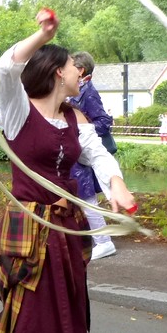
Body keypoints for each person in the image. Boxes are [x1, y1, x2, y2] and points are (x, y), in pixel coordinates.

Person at [0, 10, 135, 333]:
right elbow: (4, 68)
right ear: (58, 72)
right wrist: (43, 34)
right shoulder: (17, 111)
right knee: (46, 312)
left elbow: (99, 156)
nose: (81, 73)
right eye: (76, 67)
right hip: (30, 228)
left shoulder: (75, 119)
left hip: (67, 230)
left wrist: (117, 186)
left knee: (62, 309)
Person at [69, 51, 117, 261]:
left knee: (86, 197)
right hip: (75, 151)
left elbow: (103, 122)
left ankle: (104, 242)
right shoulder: (75, 89)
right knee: (77, 198)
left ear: (80, 70)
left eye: (70, 66)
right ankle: (86, 239)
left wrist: (80, 130)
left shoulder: (88, 92)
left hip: (83, 152)